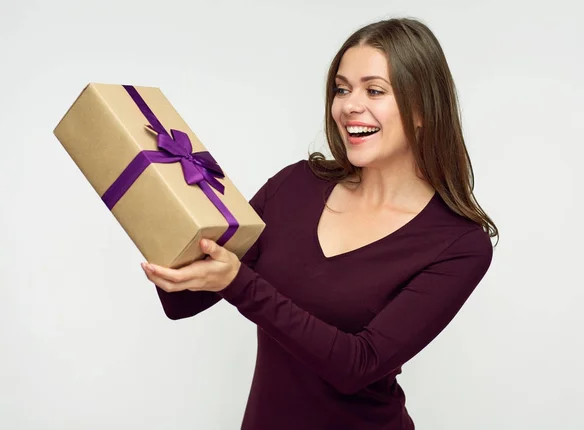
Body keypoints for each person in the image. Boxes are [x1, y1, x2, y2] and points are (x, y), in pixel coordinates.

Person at [141, 17, 497, 430]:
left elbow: (357, 365)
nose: (349, 105)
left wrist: (238, 282)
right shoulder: (296, 184)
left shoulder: (458, 244)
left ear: (421, 109)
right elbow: (184, 301)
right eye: (342, 88)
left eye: (374, 90)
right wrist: (157, 209)